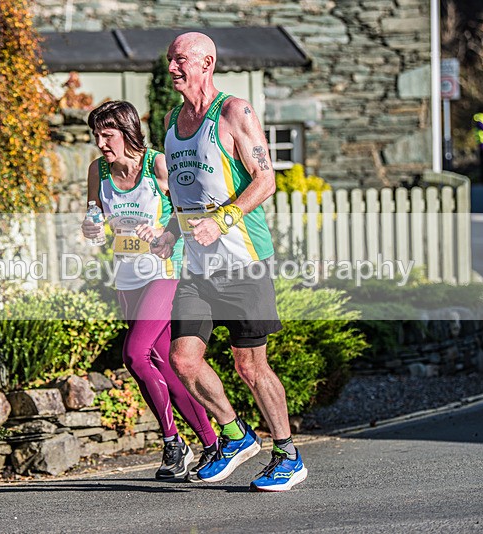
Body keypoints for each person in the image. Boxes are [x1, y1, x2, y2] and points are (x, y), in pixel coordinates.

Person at [150, 32, 307, 492]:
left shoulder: (235, 112)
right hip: (199, 267)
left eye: (181, 60)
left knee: (250, 365)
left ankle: (287, 453)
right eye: (170, 60)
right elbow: (185, 197)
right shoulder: (170, 121)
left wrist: (223, 220)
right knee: (182, 360)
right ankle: (235, 435)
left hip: (245, 262)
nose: (173, 68)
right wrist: (170, 233)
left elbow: (266, 179)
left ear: (207, 63)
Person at [81, 100, 217, 480]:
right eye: (96, 135)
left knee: (135, 353)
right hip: (127, 277)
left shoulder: (157, 164)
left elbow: (192, 209)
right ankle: (210, 443)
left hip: (164, 271)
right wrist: (91, 227)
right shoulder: (98, 171)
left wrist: (162, 231)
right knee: (161, 362)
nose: (101, 142)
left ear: (127, 133)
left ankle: (173, 442)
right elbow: (93, 213)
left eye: (107, 135)